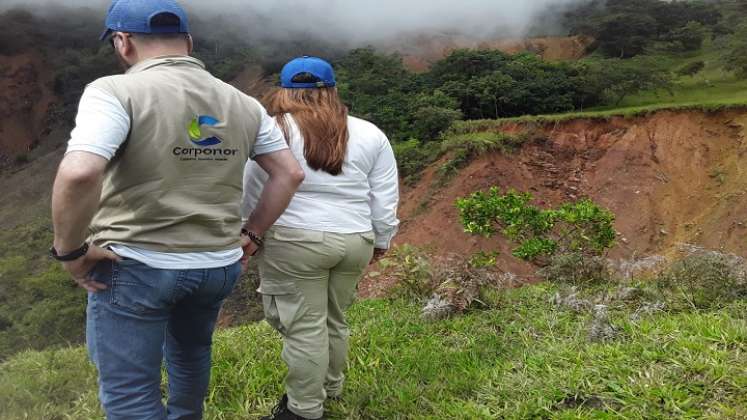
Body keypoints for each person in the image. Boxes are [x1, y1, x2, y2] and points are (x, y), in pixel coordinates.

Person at [50, 1, 304, 418]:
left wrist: (71, 253)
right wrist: (253, 234)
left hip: (137, 263)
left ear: (122, 42)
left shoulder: (114, 91)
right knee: (190, 357)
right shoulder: (243, 102)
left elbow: (80, 174)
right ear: (187, 41)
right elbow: (289, 174)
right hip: (217, 264)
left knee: (132, 392)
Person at [243, 56, 400, 420]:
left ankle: (304, 409)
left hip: (294, 242)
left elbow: (251, 187)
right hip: (355, 239)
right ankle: (330, 387)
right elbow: (384, 195)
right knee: (334, 318)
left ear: (283, 91)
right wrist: (381, 239)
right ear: (331, 90)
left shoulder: (271, 130)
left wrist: (248, 231)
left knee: (303, 327)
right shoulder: (369, 132)